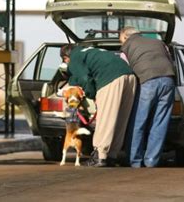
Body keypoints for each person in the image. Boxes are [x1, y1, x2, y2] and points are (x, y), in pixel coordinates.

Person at [60, 44, 136, 167]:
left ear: (65, 58)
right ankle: (112, 155)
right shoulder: (91, 52)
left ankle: (100, 156)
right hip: (130, 75)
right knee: (121, 119)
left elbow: (84, 78)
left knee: (106, 118)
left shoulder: (74, 58)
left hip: (110, 78)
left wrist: (92, 94)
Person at [120, 26, 176, 168]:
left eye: (120, 39)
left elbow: (125, 72)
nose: (121, 42)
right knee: (160, 123)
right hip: (168, 81)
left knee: (138, 122)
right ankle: (151, 161)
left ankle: (135, 161)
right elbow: (170, 61)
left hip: (147, 82)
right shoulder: (159, 43)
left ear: (125, 36)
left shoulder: (126, 48)